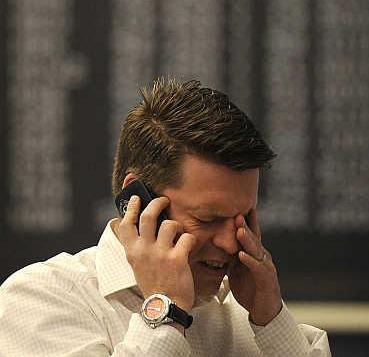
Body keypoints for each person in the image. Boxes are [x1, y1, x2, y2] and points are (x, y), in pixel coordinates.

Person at [0, 78, 331, 356]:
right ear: (138, 202)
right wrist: (167, 308)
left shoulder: (251, 317)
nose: (232, 243)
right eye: (208, 218)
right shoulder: (42, 299)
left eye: (244, 217)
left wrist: (271, 320)